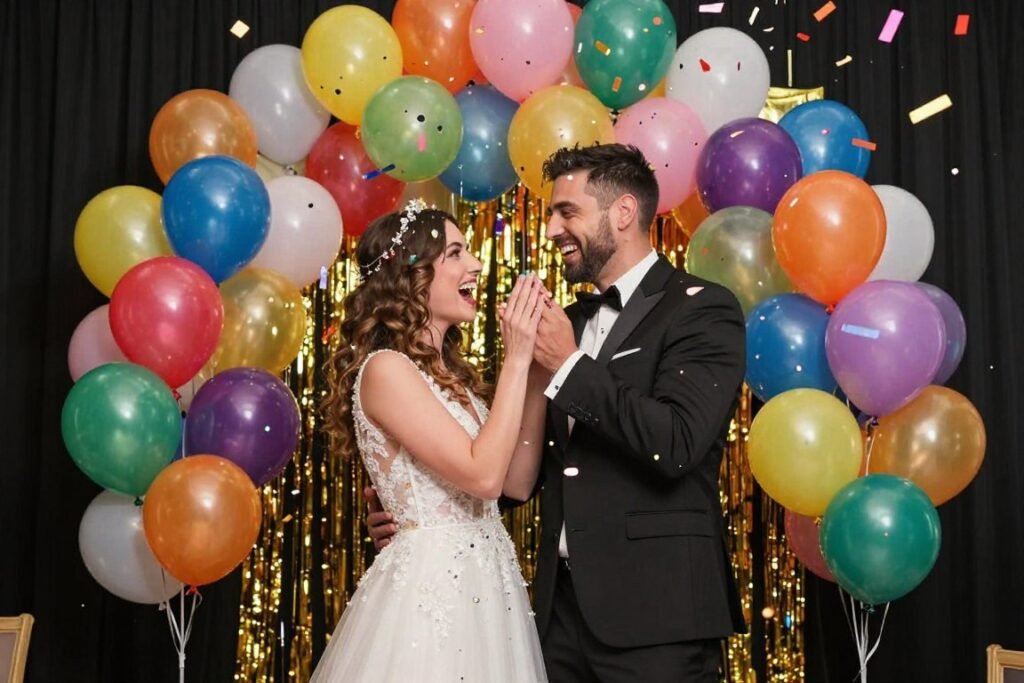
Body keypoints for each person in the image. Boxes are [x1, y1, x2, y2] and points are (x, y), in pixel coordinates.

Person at [369, 144, 747, 682]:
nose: (550, 230)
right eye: (550, 214)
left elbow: (677, 442)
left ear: (623, 213)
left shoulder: (701, 308)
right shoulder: (562, 322)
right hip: (558, 616)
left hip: (657, 614)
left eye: (567, 212)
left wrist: (568, 364)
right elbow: (515, 471)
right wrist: (411, 514)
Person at [314, 199, 549, 682]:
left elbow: (516, 481)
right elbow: (483, 476)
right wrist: (517, 359)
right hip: (430, 595)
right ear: (412, 275)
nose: (476, 265)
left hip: (489, 591)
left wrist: (541, 371)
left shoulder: (455, 379)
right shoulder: (386, 369)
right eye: (456, 253)